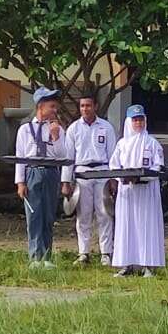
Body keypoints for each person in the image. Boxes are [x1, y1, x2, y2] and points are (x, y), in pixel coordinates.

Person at [13, 87, 73, 269]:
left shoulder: (57, 129)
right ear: (40, 106)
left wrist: (56, 137)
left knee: (48, 215)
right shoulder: (25, 130)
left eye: (56, 106)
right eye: (52, 106)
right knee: (34, 215)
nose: (55, 110)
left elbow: (63, 155)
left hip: (50, 172)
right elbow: (20, 157)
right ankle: (35, 256)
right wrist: (20, 182)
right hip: (32, 171)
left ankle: (46, 255)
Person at [110, 104, 165, 277]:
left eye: (141, 119)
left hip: (146, 191)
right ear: (129, 122)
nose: (138, 123)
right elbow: (114, 165)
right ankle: (127, 264)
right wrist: (123, 178)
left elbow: (158, 167)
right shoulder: (122, 144)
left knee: (146, 226)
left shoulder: (153, 143)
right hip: (127, 191)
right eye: (135, 120)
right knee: (126, 226)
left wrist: (141, 177)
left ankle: (148, 264)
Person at [63, 94, 116, 265]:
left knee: (105, 213)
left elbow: (113, 155)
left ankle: (106, 252)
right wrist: (66, 182)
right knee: (83, 215)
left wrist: (113, 178)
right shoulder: (73, 129)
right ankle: (83, 252)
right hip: (82, 173)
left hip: (102, 171)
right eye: (82, 106)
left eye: (88, 105)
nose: (85, 109)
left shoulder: (106, 127)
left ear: (96, 106)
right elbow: (68, 157)